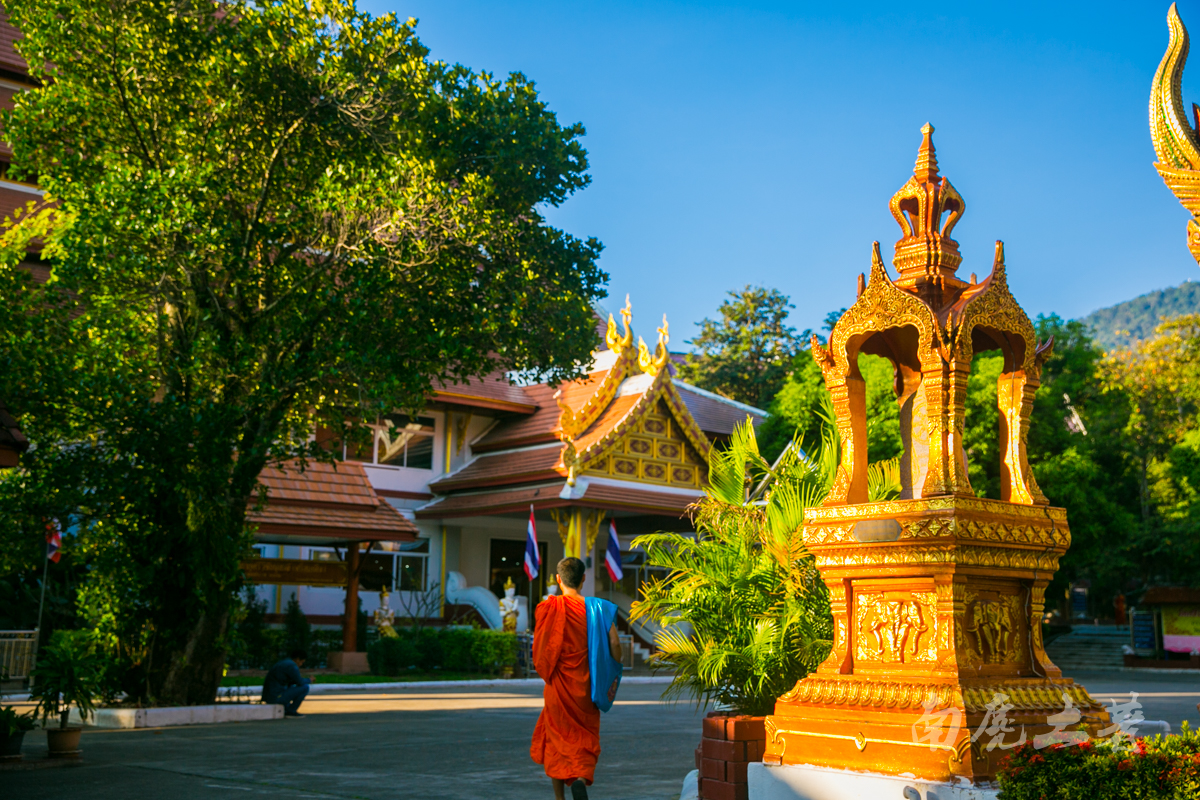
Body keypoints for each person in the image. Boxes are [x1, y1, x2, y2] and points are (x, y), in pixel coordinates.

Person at [530, 557, 622, 800]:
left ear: (558, 579)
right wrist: (614, 668)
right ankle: (580, 779)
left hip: (558, 686)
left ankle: (560, 798)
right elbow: (614, 642)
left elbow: (541, 651)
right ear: (583, 578)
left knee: (557, 740)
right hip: (587, 687)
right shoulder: (599, 608)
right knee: (583, 737)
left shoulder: (548, 608)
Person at [262, 648, 311, 717]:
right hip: (276, 697)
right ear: (297, 659)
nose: (301, 664)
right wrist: (309, 680)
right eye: (301, 662)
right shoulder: (291, 665)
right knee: (305, 687)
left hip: (271, 696)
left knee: (291, 686)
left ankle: (287, 707)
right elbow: (300, 682)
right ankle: (291, 710)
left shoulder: (284, 662)